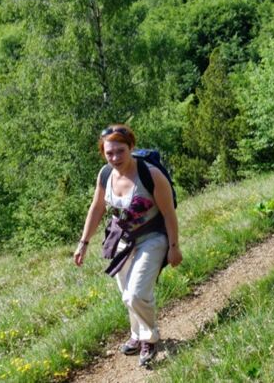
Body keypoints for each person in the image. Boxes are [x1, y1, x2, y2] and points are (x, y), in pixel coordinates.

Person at [73, 124, 182, 368]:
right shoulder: (105, 174)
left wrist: (174, 246)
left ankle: (150, 338)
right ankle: (137, 334)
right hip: (122, 240)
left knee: (136, 294)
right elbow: (97, 208)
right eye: (109, 153)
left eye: (120, 151)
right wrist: (83, 243)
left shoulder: (151, 175)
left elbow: (169, 213)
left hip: (152, 238)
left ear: (131, 147)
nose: (115, 158)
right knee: (127, 295)